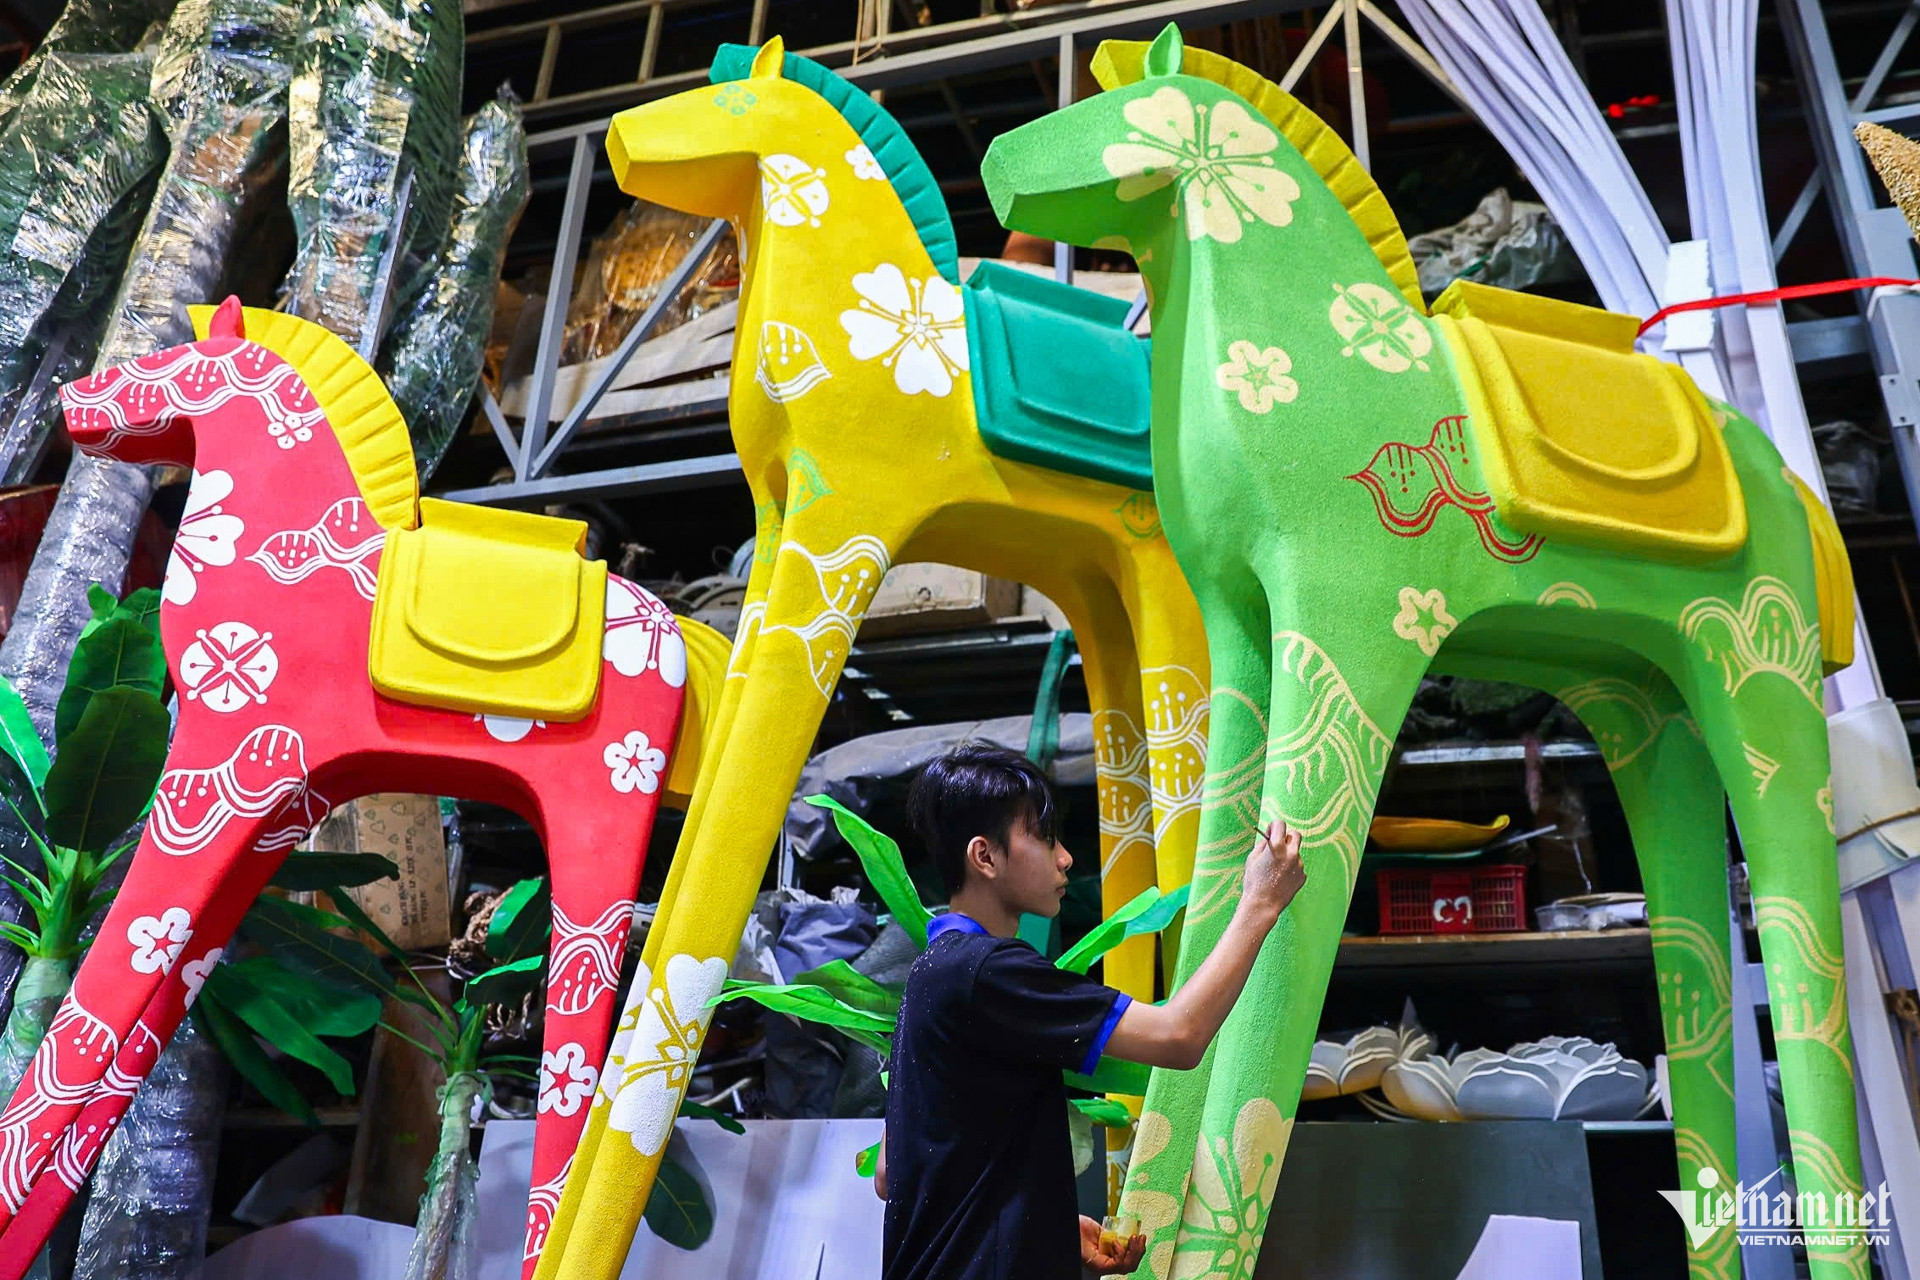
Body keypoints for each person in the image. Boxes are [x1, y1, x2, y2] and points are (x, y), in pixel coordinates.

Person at [875, 744, 1307, 1280]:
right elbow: (1180, 1035)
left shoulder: (931, 972)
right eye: (1043, 838)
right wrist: (1261, 901)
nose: (1064, 858)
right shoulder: (989, 972)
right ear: (984, 857)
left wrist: (1042, 1227)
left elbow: (891, 1173)